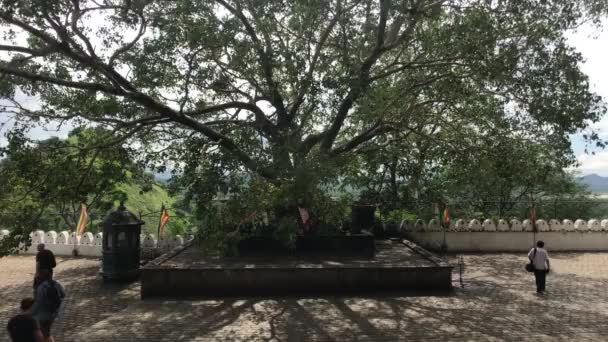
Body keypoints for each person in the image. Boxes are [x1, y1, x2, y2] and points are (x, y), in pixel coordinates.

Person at [31, 270, 65, 342]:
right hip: (53, 313)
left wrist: (31, 313)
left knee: (41, 333)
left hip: (43, 315)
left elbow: (38, 303)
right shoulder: (56, 284)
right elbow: (63, 294)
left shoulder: (41, 287)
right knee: (46, 332)